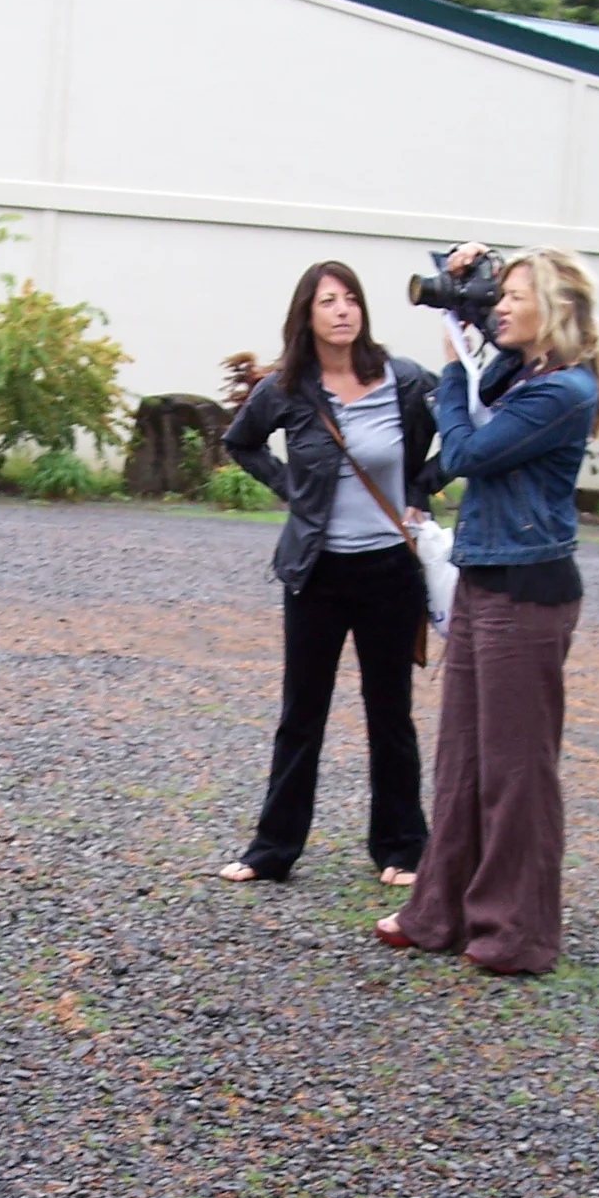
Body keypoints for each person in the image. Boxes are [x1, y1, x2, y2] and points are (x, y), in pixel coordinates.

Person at [377, 244, 599, 976]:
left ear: (557, 307)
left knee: (516, 769)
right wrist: (464, 277)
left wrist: (452, 369)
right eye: (499, 294)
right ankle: (439, 912)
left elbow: (467, 453)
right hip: (483, 576)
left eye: (516, 295)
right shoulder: (522, 374)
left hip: (528, 589)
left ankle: (517, 932)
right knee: (462, 759)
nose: (500, 307)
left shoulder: (564, 391)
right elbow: (486, 333)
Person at [217, 260, 444, 886]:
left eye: (351, 299)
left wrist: (421, 487)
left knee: (390, 714)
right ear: (307, 315)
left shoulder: (403, 379)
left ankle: (402, 848)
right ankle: (272, 850)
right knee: (302, 714)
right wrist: (291, 489)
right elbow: (241, 441)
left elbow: (457, 431)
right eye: (328, 301)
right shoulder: (288, 388)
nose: (342, 310)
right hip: (316, 571)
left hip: (390, 571)